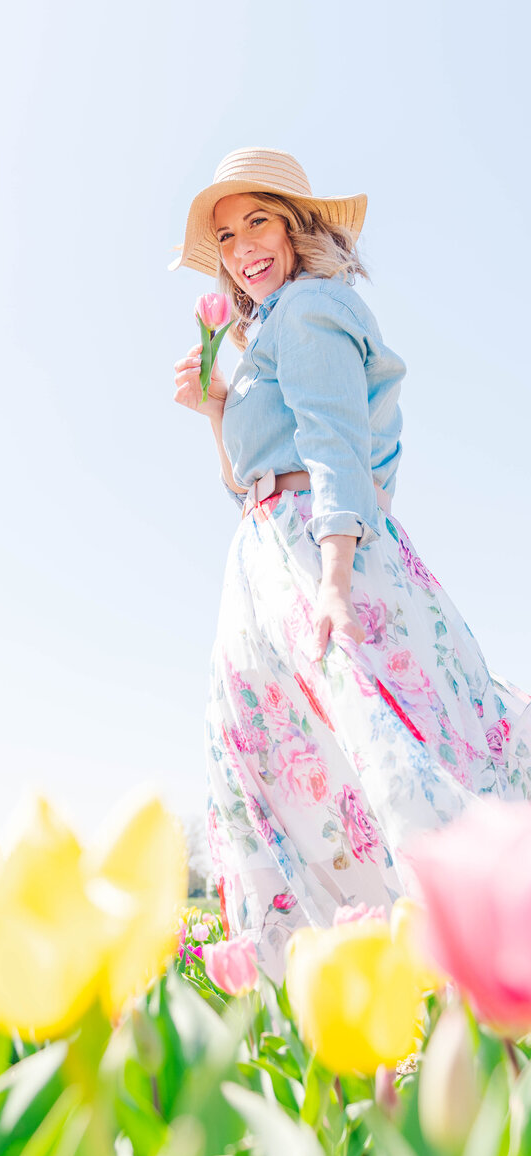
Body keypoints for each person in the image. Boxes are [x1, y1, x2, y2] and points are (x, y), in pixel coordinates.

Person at [171, 146, 531, 981]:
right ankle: (367, 975)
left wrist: (333, 582)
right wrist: (216, 405)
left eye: (256, 219)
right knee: (285, 755)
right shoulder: (269, 331)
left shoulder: (309, 310)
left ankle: (457, 962)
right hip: (269, 553)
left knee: (382, 748)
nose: (241, 247)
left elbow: (335, 451)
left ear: (298, 226)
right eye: (224, 235)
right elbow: (246, 480)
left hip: (321, 550)